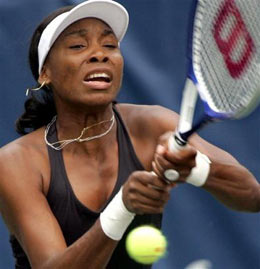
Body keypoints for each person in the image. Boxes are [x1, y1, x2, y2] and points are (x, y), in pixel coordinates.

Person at [0, 0, 259, 268]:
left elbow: (253, 196)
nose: (99, 54)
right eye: (78, 46)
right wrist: (121, 208)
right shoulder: (17, 162)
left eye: (110, 45)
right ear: (45, 73)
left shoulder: (153, 124)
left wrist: (196, 168)